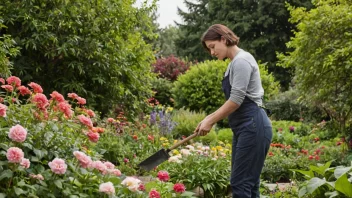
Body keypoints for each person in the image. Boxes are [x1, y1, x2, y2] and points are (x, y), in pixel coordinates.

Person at [194, 24, 272, 198]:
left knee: (241, 182)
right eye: (209, 50)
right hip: (245, 127)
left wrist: (211, 121)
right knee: (248, 184)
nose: (212, 53)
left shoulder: (241, 61)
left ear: (224, 38)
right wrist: (208, 117)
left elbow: (236, 100)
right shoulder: (233, 63)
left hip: (253, 124)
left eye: (213, 47)